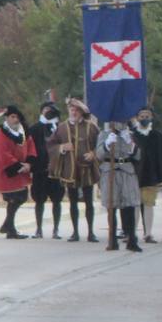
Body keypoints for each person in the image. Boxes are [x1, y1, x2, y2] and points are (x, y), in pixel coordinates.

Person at [48, 97, 100, 243]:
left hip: (87, 169)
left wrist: (93, 153)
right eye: (72, 109)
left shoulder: (91, 127)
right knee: (72, 202)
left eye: (76, 110)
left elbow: (101, 144)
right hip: (69, 169)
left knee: (89, 202)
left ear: (82, 112)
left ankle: (91, 232)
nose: (74, 112)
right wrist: (62, 148)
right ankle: (75, 232)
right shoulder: (62, 127)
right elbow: (51, 145)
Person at [0, 104, 36, 239]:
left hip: (21, 170)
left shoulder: (23, 132)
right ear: (7, 118)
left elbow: (30, 145)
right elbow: (4, 154)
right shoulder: (2, 134)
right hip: (9, 171)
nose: (15, 120)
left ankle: (8, 226)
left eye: (17, 117)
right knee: (15, 197)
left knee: (21, 196)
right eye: (13, 117)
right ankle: (9, 227)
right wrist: (18, 165)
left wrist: (29, 162)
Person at [96, 121, 141, 252]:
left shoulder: (130, 135)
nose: (119, 123)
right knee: (112, 205)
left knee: (129, 205)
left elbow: (138, 156)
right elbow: (99, 154)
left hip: (127, 170)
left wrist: (131, 144)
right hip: (109, 170)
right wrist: (106, 145)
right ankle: (112, 240)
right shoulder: (104, 134)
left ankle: (131, 239)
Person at [131, 106, 162, 243]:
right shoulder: (131, 135)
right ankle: (133, 233)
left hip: (151, 176)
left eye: (147, 116)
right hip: (134, 175)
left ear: (151, 118)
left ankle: (148, 233)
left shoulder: (157, 136)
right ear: (137, 118)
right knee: (135, 204)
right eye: (141, 116)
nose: (144, 119)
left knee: (148, 204)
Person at [29, 101, 65, 238]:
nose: (48, 112)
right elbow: (30, 148)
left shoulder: (60, 128)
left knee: (57, 200)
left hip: (56, 170)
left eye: (50, 110)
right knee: (39, 200)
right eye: (45, 109)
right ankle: (38, 229)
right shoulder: (35, 128)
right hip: (40, 170)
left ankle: (56, 229)